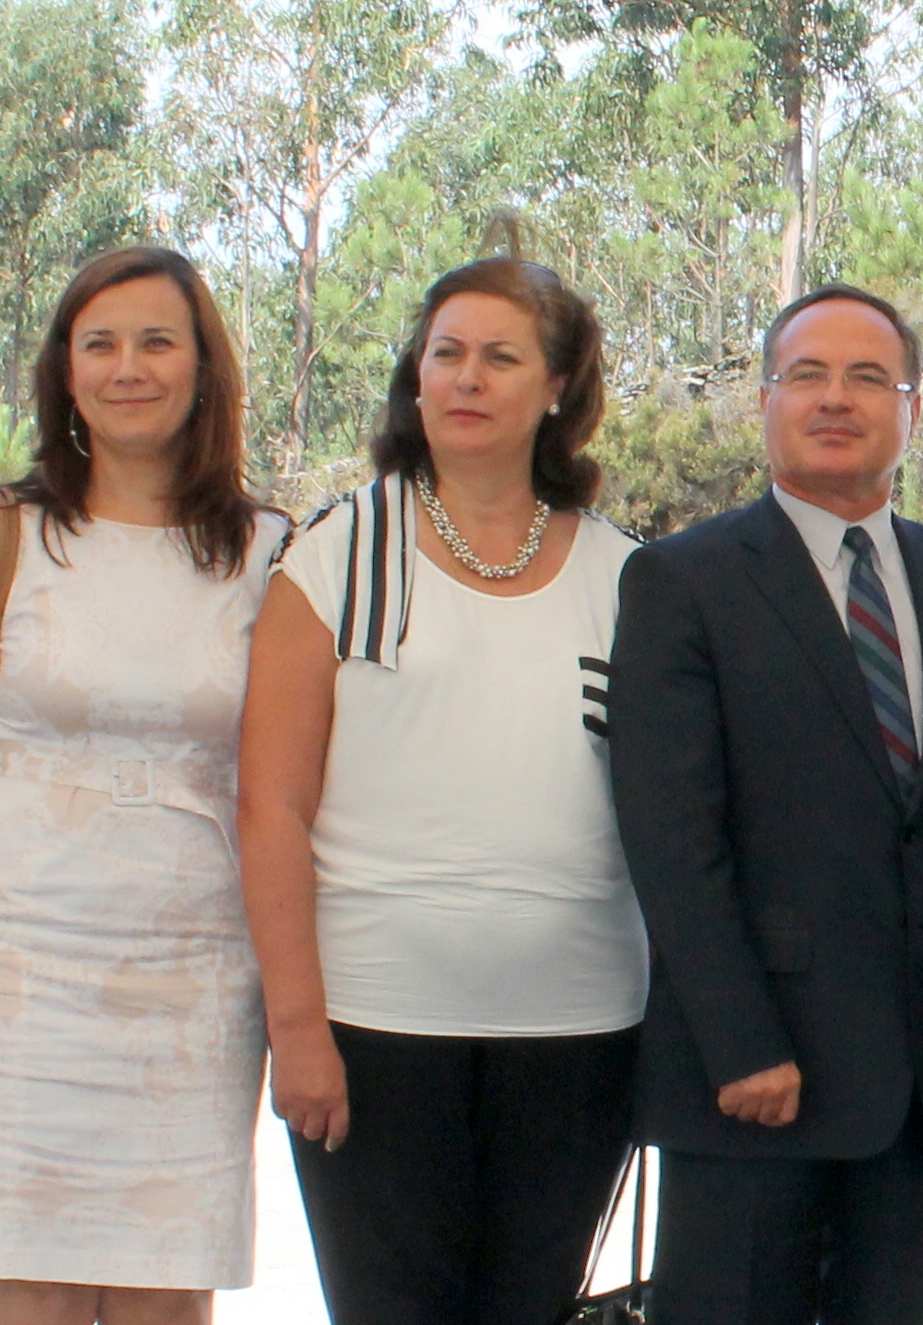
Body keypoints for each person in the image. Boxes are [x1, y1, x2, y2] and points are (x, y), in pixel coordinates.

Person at [235, 255, 648, 1325]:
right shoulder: (334, 553)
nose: (467, 378)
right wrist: (297, 1031)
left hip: (581, 1038)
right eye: (445, 354)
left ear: (557, 388)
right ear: (415, 379)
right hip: (373, 1034)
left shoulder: (628, 576)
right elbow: (269, 808)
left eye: (501, 357)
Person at [0, 246, 285, 1323]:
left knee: (167, 1300)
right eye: (98, 344)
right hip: (15, 977)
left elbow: (293, 772)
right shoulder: (1, 535)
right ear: (64, 372)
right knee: (31, 1297)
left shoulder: (271, 554)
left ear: (204, 368)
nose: (127, 367)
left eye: (157, 341)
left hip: (194, 981)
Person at [610, 283, 923, 1325]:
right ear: (765, 402)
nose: (837, 399)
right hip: (754, 1085)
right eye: (808, 376)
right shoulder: (680, 582)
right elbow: (669, 835)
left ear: (912, 411)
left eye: (869, 377)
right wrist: (739, 1040)